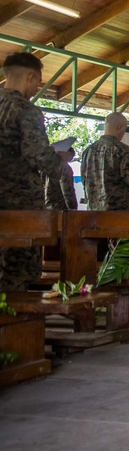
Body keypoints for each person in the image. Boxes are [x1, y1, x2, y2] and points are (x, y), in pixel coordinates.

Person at [0, 53, 71, 291]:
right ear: (30, 76)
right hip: (18, 203)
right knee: (19, 269)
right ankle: (17, 324)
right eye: (37, 82)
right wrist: (59, 160)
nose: (35, 88)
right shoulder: (25, 109)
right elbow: (38, 155)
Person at [81, 112, 129, 211]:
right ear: (120, 127)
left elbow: (84, 178)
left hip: (93, 211)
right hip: (118, 211)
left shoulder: (88, 150)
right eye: (125, 129)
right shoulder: (122, 150)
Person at [45, 147, 78, 211]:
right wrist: (73, 209)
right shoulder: (65, 168)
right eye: (72, 156)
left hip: (45, 207)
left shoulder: (45, 167)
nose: (72, 159)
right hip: (60, 208)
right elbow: (67, 190)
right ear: (67, 153)